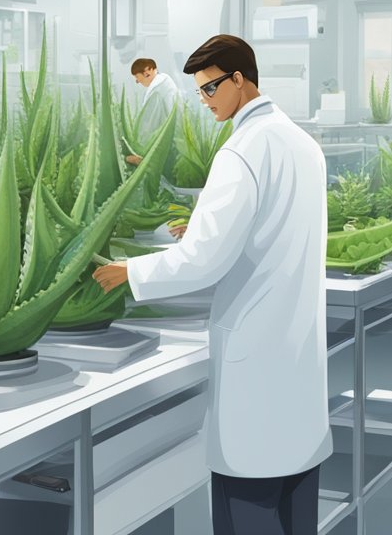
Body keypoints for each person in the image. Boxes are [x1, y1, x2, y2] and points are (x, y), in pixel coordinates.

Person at [93, 35, 330, 535]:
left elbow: (202, 261)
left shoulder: (241, 151)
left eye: (211, 89)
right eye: (200, 92)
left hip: (256, 358)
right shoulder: (301, 142)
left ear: (239, 79)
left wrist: (130, 272)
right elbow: (273, 228)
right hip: (296, 353)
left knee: (248, 506)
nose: (205, 102)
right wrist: (205, 223)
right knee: (296, 505)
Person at [125, 57, 180, 166]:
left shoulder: (156, 91)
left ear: (147, 71)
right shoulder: (166, 82)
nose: (137, 81)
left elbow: (149, 125)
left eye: (137, 77)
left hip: (164, 147)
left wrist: (139, 151)